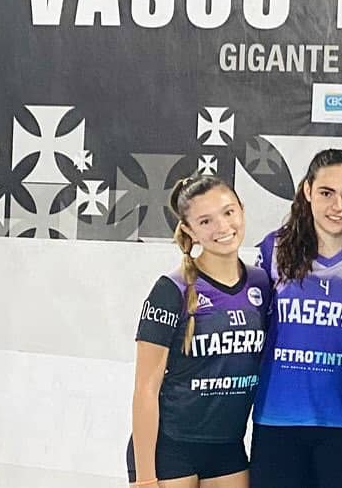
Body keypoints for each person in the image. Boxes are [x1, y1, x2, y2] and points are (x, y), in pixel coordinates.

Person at [128, 174, 271, 488]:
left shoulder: (262, 283)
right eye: (205, 221)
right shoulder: (171, 289)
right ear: (189, 230)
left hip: (228, 445)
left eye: (228, 212)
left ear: (242, 210)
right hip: (171, 447)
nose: (222, 226)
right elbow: (145, 389)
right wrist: (145, 479)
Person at [250, 149, 342, 488]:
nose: (338, 206)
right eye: (326, 193)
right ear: (307, 190)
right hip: (277, 418)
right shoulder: (274, 249)